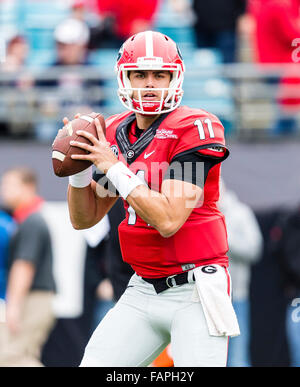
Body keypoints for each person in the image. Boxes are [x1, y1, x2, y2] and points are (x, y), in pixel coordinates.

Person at [59, 30, 240, 367]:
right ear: (123, 77)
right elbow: (83, 218)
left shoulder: (195, 127)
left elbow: (169, 220)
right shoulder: (113, 132)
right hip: (141, 286)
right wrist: (80, 168)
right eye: (139, 74)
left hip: (195, 289)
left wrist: (112, 166)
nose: (150, 84)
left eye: (160, 74)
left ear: (176, 77)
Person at [0, 167, 56, 366]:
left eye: (10, 185)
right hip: (35, 299)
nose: (4, 190)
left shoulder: (32, 222)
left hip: (33, 299)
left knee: (12, 356)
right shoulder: (28, 219)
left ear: (29, 187)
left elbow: (24, 266)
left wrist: (13, 307)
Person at [218, 181, 263, 367]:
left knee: (238, 357)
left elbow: (255, 249)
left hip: (237, 296)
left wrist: (224, 239)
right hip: (208, 297)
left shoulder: (241, 213)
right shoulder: (198, 216)